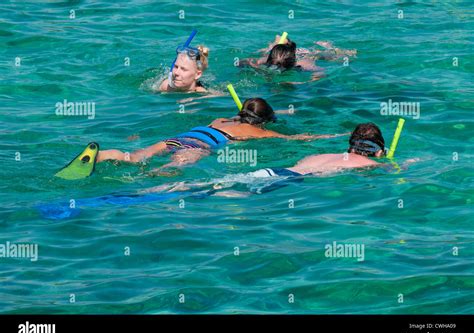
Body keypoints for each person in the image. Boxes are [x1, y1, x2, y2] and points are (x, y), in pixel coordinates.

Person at [143, 122, 414, 195]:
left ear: (351, 145)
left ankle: (176, 186)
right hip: (288, 182)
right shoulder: (368, 164)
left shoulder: (324, 154)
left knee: (224, 183)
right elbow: (395, 171)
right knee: (231, 193)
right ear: (379, 151)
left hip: (276, 170)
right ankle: (182, 191)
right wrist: (400, 162)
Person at [95, 98, 347, 175]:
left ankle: (103, 155)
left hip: (181, 136)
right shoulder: (257, 132)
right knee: (173, 168)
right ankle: (147, 178)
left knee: (136, 155)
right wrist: (336, 134)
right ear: (263, 122)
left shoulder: (221, 120)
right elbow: (297, 139)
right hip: (198, 146)